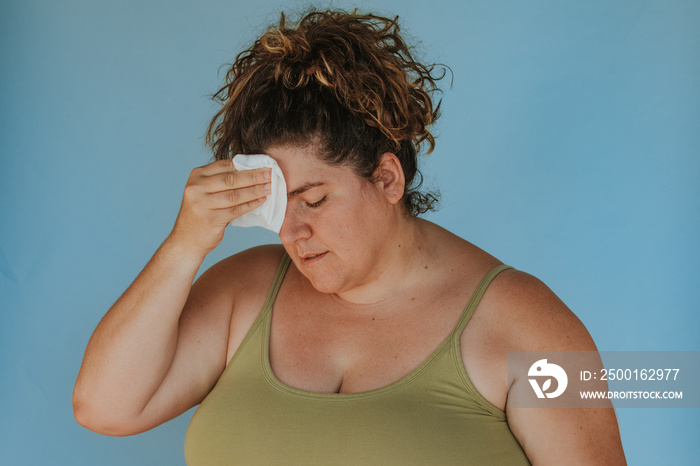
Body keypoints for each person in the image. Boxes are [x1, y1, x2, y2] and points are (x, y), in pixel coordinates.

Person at [73, 9, 626, 465]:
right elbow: (105, 408)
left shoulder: (533, 327)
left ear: (387, 178)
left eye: (313, 200)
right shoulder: (245, 291)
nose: (293, 231)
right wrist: (184, 245)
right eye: (275, 210)